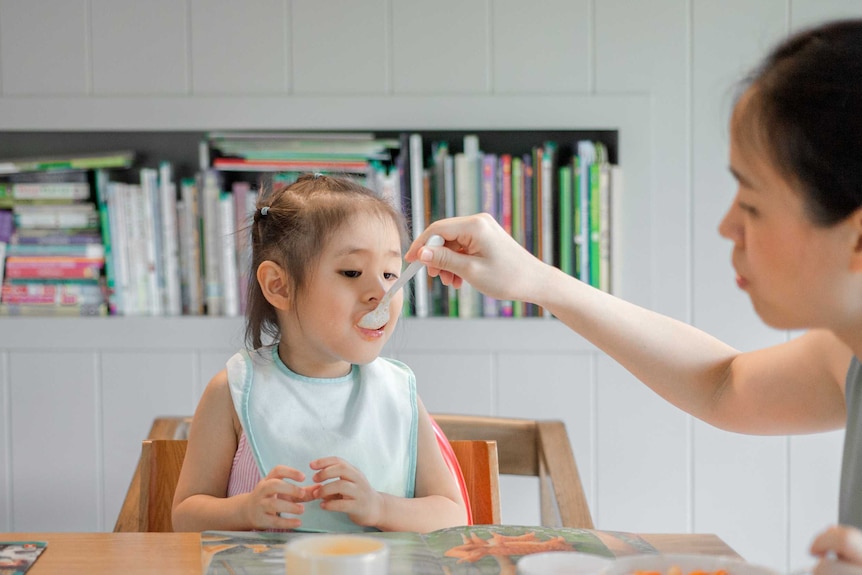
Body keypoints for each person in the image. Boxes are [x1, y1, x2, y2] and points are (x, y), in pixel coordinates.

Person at [406, 18, 862, 565]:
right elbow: (723, 383)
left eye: (753, 205)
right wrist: (536, 280)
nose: (726, 226)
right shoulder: (847, 352)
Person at [172, 173, 467, 533]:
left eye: (391, 274)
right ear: (279, 286)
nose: (381, 293)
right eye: (352, 271)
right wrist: (245, 511)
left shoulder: (398, 392)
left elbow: (452, 515)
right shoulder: (233, 391)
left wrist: (379, 507)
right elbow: (185, 516)